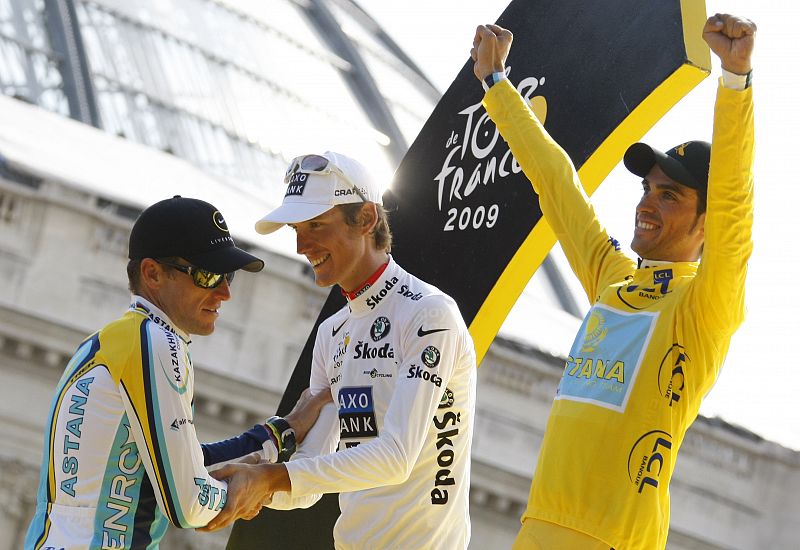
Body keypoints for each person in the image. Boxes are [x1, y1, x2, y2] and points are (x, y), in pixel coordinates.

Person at [471, 13, 755, 550]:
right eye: (648, 188)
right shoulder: (613, 278)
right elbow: (556, 184)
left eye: (670, 195)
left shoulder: (704, 306)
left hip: (615, 539)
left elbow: (735, 206)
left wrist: (735, 81)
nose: (647, 203)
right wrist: (496, 85)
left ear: (706, 223)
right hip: (534, 528)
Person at [199, 152, 477, 549]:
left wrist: (271, 479)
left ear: (365, 219)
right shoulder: (333, 333)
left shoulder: (429, 313)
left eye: (315, 225)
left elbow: (396, 457)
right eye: (296, 228)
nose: (301, 245)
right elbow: (309, 480)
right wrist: (248, 480)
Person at [25, 196, 330, 549]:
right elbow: (189, 505)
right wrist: (258, 485)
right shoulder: (154, 342)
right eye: (208, 274)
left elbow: (181, 464)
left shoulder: (109, 341)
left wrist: (282, 433)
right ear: (152, 273)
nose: (225, 292)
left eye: (227, 275)